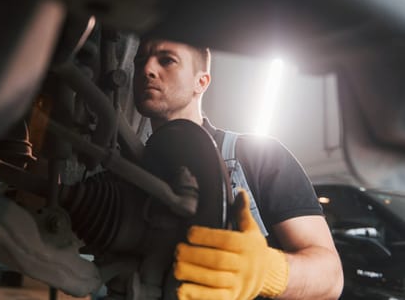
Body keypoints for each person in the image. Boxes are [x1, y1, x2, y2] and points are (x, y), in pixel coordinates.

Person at [132, 39, 343, 300]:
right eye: (139, 61)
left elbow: (331, 278)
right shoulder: (129, 171)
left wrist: (265, 271)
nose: (147, 69)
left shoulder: (258, 155)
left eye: (167, 60)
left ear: (202, 82)